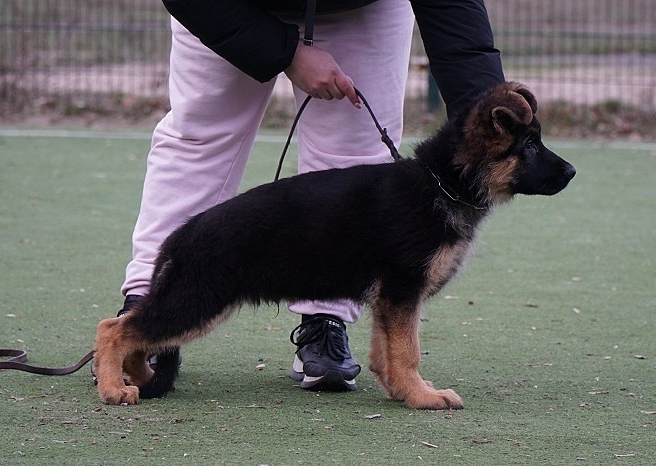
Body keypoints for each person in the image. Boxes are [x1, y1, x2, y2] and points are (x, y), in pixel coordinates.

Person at [116, 0, 505, 392]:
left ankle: (325, 321)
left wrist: (491, 112)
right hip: (226, 5)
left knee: (354, 154)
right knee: (198, 140)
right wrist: (288, 54)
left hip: (361, 8)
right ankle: (147, 309)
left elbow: (456, 17)